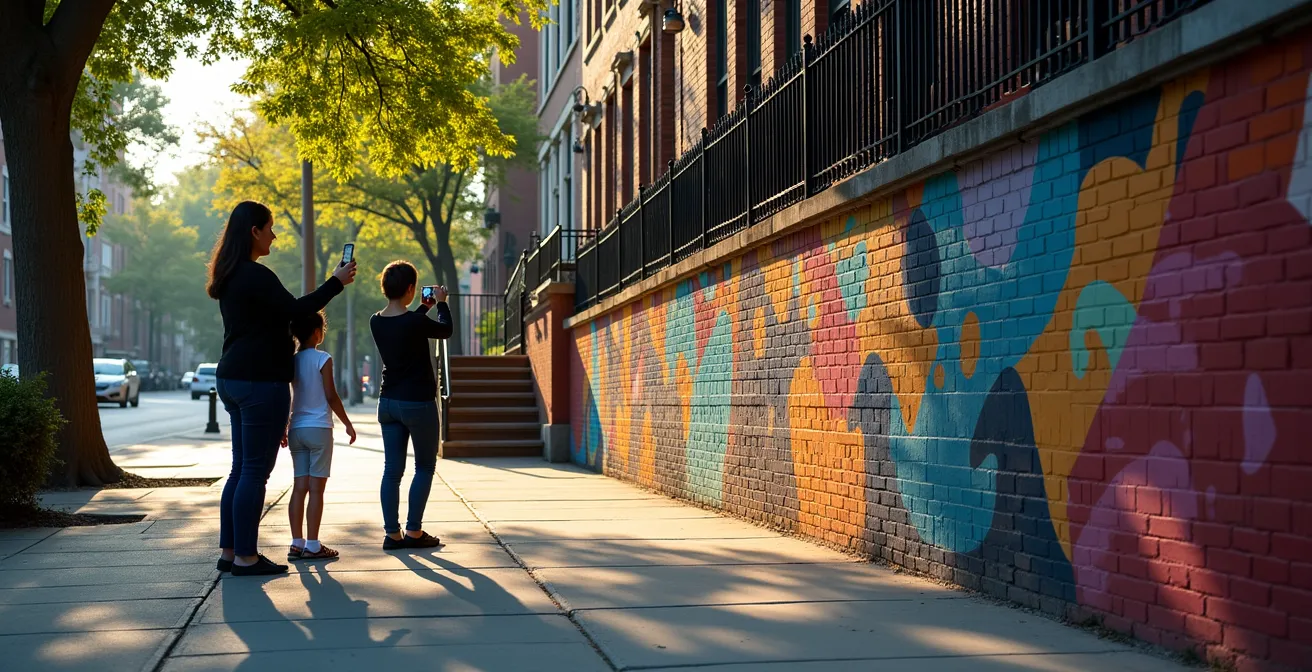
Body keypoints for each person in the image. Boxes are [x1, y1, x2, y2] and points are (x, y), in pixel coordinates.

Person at [206, 200, 356, 576]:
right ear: (254, 231)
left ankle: (231, 552)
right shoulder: (256, 275)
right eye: (270, 227)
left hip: (232, 378)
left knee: (241, 469)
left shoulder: (229, 275)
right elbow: (296, 310)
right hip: (260, 383)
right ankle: (245, 557)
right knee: (255, 472)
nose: (274, 234)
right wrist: (335, 283)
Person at [369, 261, 452, 550]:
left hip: (388, 402)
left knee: (392, 469)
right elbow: (446, 330)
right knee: (424, 467)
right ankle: (414, 532)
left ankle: (392, 533)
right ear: (410, 289)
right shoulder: (415, 323)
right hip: (417, 404)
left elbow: (405, 326)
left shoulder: (375, 321)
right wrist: (441, 304)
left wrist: (423, 308)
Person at [284, 310, 357, 562]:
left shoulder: (291, 360)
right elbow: (331, 395)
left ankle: (296, 543)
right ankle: (313, 545)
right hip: (319, 429)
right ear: (317, 332)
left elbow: (289, 396)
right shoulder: (323, 359)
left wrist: (285, 426)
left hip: (297, 429)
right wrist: (347, 423)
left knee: (299, 488)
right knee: (316, 490)